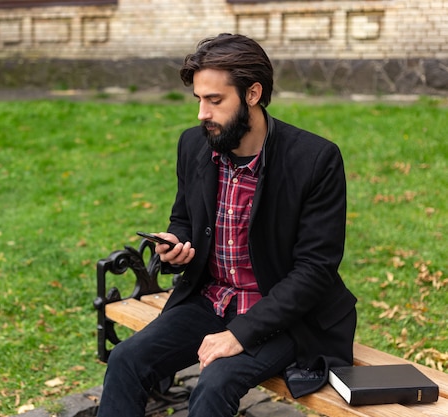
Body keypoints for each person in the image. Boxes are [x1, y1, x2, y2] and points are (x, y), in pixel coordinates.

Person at [96, 33, 357, 417]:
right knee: (125, 361)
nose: (202, 113)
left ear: (252, 94)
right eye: (199, 99)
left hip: (285, 315)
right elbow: (184, 218)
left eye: (215, 100)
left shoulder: (315, 160)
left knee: (214, 385)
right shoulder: (194, 145)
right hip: (210, 299)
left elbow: (314, 272)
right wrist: (177, 245)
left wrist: (239, 334)